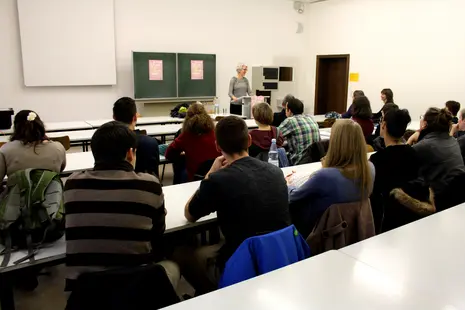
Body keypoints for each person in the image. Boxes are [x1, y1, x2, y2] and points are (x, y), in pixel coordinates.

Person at [178, 116, 291, 294]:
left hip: (241, 265)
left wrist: (210, 173)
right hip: (280, 258)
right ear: (249, 140)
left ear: (217, 146)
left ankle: (216, 296)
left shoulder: (218, 180)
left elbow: (189, 214)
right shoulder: (276, 172)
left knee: (182, 254)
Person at [64, 121, 179, 291]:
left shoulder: (72, 183)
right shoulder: (149, 185)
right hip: (135, 285)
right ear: (130, 154)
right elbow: (158, 233)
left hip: (85, 290)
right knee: (172, 266)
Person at [287, 119, 375, 237]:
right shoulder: (370, 169)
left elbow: (293, 197)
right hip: (354, 233)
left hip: (316, 233)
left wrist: (286, 184)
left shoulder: (325, 177)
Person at [369, 108, 422, 231]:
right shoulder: (413, 153)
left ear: (383, 125)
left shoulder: (378, 159)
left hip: (384, 219)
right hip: (409, 214)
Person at [410, 108, 465, 192]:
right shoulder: (453, 141)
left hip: (439, 198)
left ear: (425, 123)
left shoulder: (425, 145)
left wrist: (411, 139)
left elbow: (402, 160)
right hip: (458, 195)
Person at [0, 110, 66, 180]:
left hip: (18, 190)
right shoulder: (58, 148)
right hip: (51, 190)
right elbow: (60, 169)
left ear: (16, 128)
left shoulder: (6, 150)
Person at [165, 103, 221, 181]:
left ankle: (179, 186)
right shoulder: (216, 132)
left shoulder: (186, 135)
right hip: (217, 173)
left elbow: (168, 154)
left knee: (179, 162)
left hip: (196, 176)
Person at [113, 97, 160, 177]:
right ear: (135, 117)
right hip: (148, 186)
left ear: (114, 117)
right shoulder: (151, 143)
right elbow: (154, 173)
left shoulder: (108, 142)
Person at [278, 98, 320, 165]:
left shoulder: (290, 121)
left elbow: (274, 135)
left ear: (289, 110)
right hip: (315, 161)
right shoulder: (311, 118)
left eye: (285, 109)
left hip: (299, 162)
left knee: (278, 151)